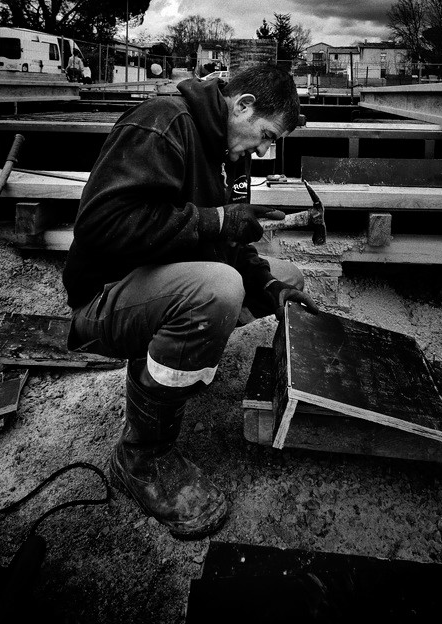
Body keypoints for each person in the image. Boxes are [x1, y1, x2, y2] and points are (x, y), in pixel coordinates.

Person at [63, 62, 316, 539]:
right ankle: (142, 454)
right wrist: (212, 222)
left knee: (283, 274)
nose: (264, 149)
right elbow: (99, 227)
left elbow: (228, 244)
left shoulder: (227, 152)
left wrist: (271, 289)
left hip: (155, 285)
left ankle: (171, 357)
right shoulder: (163, 124)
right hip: (104, 296)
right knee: (217, 290)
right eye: (266, 134)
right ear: (242, 105)